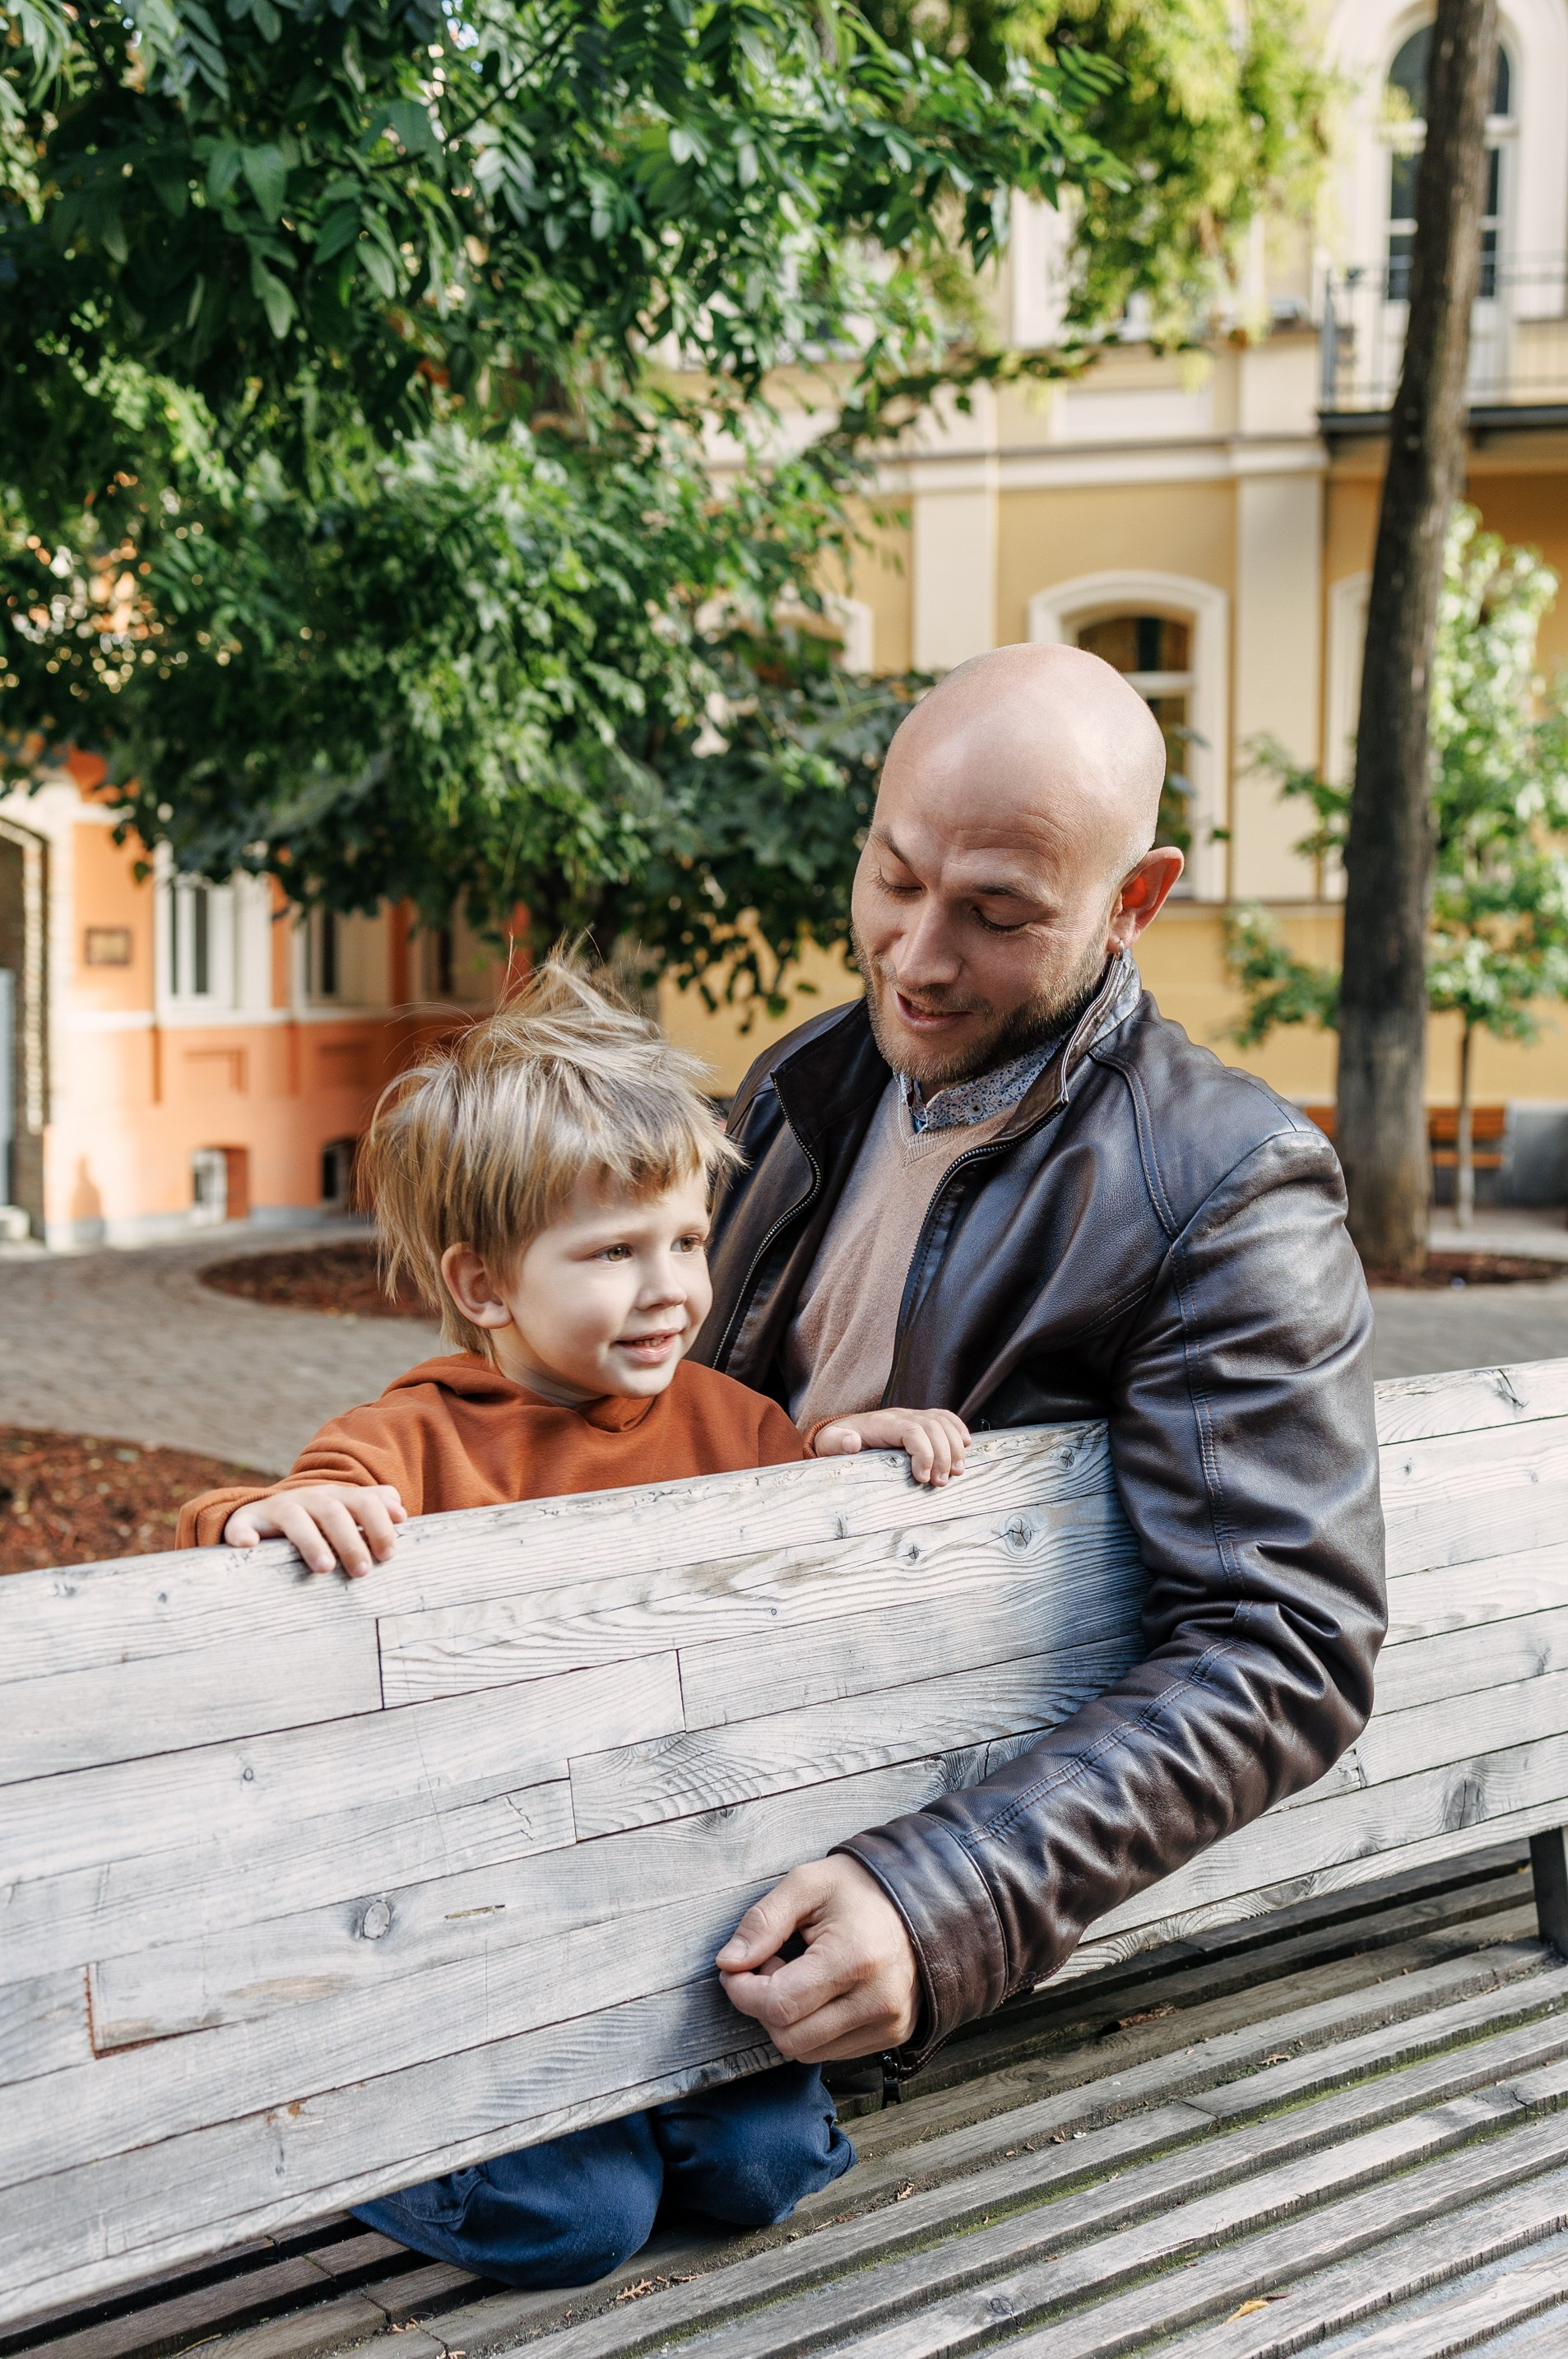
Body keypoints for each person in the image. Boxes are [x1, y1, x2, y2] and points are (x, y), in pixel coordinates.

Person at [176, 960, 968, 2287]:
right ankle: (372, 2150)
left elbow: (797, 1529)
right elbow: (251, 1537)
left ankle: (651, 2117)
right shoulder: (412, 1442)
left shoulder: (730, 1424)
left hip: (682, 1929)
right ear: (484, 1285)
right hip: (494, 1941)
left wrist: (845, 1462)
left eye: (686, 1241)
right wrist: (270, 1517)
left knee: (767, 2169)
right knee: (578, 2221)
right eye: (613, 1253)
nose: (669, 1288)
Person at [707, 640, 1388, 2077]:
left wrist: (940, 1903)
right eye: (894, 876)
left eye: (998, 913)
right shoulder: (797, 1084)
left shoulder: (1225, 1185)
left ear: (1135, 901)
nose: (917, 956)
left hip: (890, 1930)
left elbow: (1286, 1647)